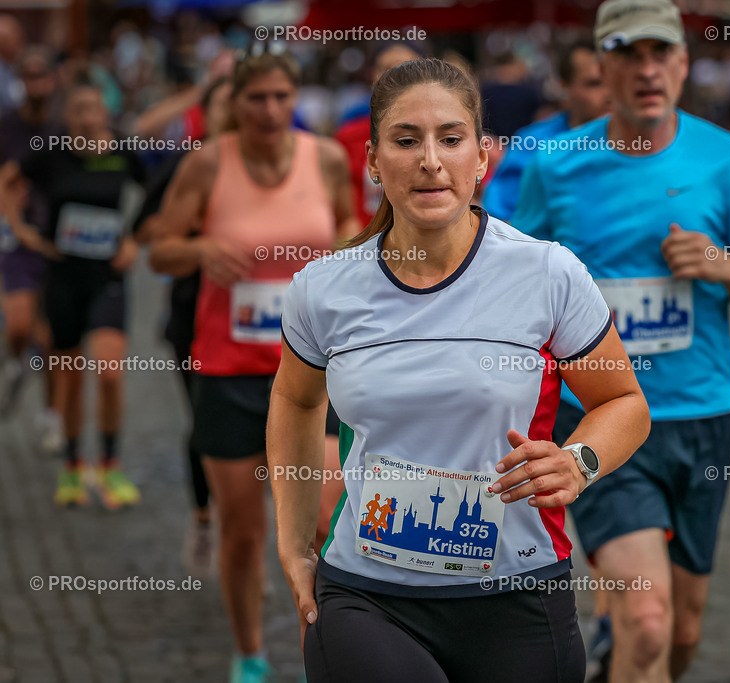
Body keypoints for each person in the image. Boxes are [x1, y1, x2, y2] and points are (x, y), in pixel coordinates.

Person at [267, 58, 650, 683]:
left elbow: (625, 404)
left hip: (518, 593)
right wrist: (293, 542)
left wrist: (578, 463)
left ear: (481, 158)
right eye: (405, 140)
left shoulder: (548, 274)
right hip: (368, 594)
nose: (429, 160)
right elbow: (296, 400)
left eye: (450, 138)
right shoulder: (324, 288)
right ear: (371, 160)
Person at [514, 1, 730, 681]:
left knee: (683, 628)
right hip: (604, 419)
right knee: (646, 620)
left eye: (661, 53)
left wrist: (723, 265)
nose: (647, 70)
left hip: (702, 414)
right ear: (601, 66)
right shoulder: (556, 164)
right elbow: (519, 283)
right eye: (629, 55)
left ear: (684, 63)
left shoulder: (725, 159)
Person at [149, 44, 356, 683]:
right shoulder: (209, 163)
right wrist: (201, 247)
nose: (270, 110)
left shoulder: (323, 157)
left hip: (313, 371)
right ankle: (248, 654)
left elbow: (349, 220)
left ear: (297, 100)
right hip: (229, 372)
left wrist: (344, 253)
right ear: (235, 104)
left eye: (282, 97)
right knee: (243, 533)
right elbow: (159, 247)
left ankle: (316, 656)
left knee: (324, 521)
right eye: (257, 98)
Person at [0, 75, 146, 509]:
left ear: (106, 112)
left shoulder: (121, 152)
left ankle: (110, 464)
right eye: (77, 109)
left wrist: (134, 239)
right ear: (67, 116)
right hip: (62, 277)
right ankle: (72, 467)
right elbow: (8, 179)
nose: (86, 117)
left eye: (93, 109)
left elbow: (159, 193)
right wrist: (22, 231)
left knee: (109, 371)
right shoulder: (52, 153)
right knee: (69, 374)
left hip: (107, 278)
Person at [136, 75, 231, 578]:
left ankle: (246, 530)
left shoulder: (271, 169)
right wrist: (197, 233)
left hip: (260, 323)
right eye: (223, 104)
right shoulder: (185, 164)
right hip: (193, 315)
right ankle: (202, 518)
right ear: (206, 113)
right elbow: (147, 231)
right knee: (205, 420)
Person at [0, 46, 62, 453]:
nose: (38, 84)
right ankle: (17, 361)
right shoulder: (7, 126)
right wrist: (15, 222)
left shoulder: (63, 127)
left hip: (57, 240)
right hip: (17, 238)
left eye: (44, 76)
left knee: (54, 336)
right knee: (21, 324)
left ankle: (51, 413)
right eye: (31, 77)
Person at [482, 40, 610, 222]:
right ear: (564, 86)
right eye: (594, 84)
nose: (609, 94)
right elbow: (498, 220)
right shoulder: (532, 145)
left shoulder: (647, 141)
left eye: (613, 81)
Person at [335, 42, 421, 228]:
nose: (395, 77)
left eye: (406, 68)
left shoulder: (443, 135)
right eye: (386, 69)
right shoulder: (348, 136)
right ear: (372, 75)